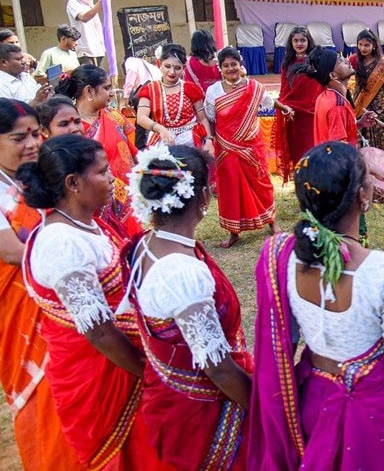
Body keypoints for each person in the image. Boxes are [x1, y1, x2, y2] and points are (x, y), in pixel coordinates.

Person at [248, 142, 384, 469]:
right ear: (365, 197)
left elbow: (286, 339)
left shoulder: (281, 254)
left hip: (313, 397)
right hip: (376, 406)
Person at [18, 135, 166, 469]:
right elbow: (98, 331)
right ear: (73, 183)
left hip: (121, 364)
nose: (113, 178)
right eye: (102, 172)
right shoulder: (61, 243)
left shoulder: (87, 224)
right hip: (105, 378)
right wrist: (148, 374)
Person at [126, 144, 254, 470]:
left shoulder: (144, 245)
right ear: (203, 199)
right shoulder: (183, 271)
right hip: (200, 417)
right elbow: (217, 367)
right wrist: (262, 408)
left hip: (168, 399)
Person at [0, 100, 82, 469]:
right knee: (46, 404)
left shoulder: (35, 176)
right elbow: (14, 252)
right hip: (24, 317)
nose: (33, 143)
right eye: (20, 137)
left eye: (36, 133)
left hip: (63, 307)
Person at [204, 47, 285, 248]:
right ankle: (234, 231)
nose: (231, 68)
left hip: (252, 144)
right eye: (226, 66)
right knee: (230, 188)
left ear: (241, 66)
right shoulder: (213, 91)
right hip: (226, 146)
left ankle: (271, 222)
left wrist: (285, 108)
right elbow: (211, 118)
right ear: (220, 69)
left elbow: (269, 102)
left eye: (234, 64)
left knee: (262, 182)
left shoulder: (254, 87)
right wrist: (210, 141)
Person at [57, 64, 142, 237]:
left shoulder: (113, 115)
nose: (111, 93)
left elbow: (130, 150)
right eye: (107, 88)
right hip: (94, 204)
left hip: (127, 199)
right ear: (89, 91)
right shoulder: (70, 128)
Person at [135, 44, 214, 147]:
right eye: (167, 66)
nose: (172, 72)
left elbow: (202, 118)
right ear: (159, 64)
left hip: (190, 141)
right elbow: (141, 117)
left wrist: (208, 140)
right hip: (162, 140)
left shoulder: (190, 88)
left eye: (177, 68)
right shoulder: (149, 90)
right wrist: (160, 128)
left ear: (183, 68)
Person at [273, 26, 324, 180]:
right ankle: (301, 183)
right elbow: (284, 89)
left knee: (312, 149)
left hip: (313, 114)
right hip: (294, 115)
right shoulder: (287, 63)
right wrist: (284, 107)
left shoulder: (316, 61)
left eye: (303, 40)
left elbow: (321, 85)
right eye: (296, 40)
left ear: (309, 42)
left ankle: (315, 181)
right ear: (291, 43)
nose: (299, 43)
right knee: (297, 150)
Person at [348, 29, 384, 152]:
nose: (363, 48)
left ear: (374, 45)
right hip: (359, 100)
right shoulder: (353, 60)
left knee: (379, 135)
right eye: (360, 44)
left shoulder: (383, 64)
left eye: (367, 45)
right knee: (359, 134)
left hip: (378, 103)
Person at [66, 0, 106, 68]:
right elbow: (84, 17)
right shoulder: (73, 2)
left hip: (98, 49)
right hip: (85, 50)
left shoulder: (90, 3)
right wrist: (102, 2)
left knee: (100, 80)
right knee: (89, 79)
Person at [184, 29, 222, 94]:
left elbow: (188, 83)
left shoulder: (189, 62)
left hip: (200, 98)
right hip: (222, 96)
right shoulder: (220, 57)